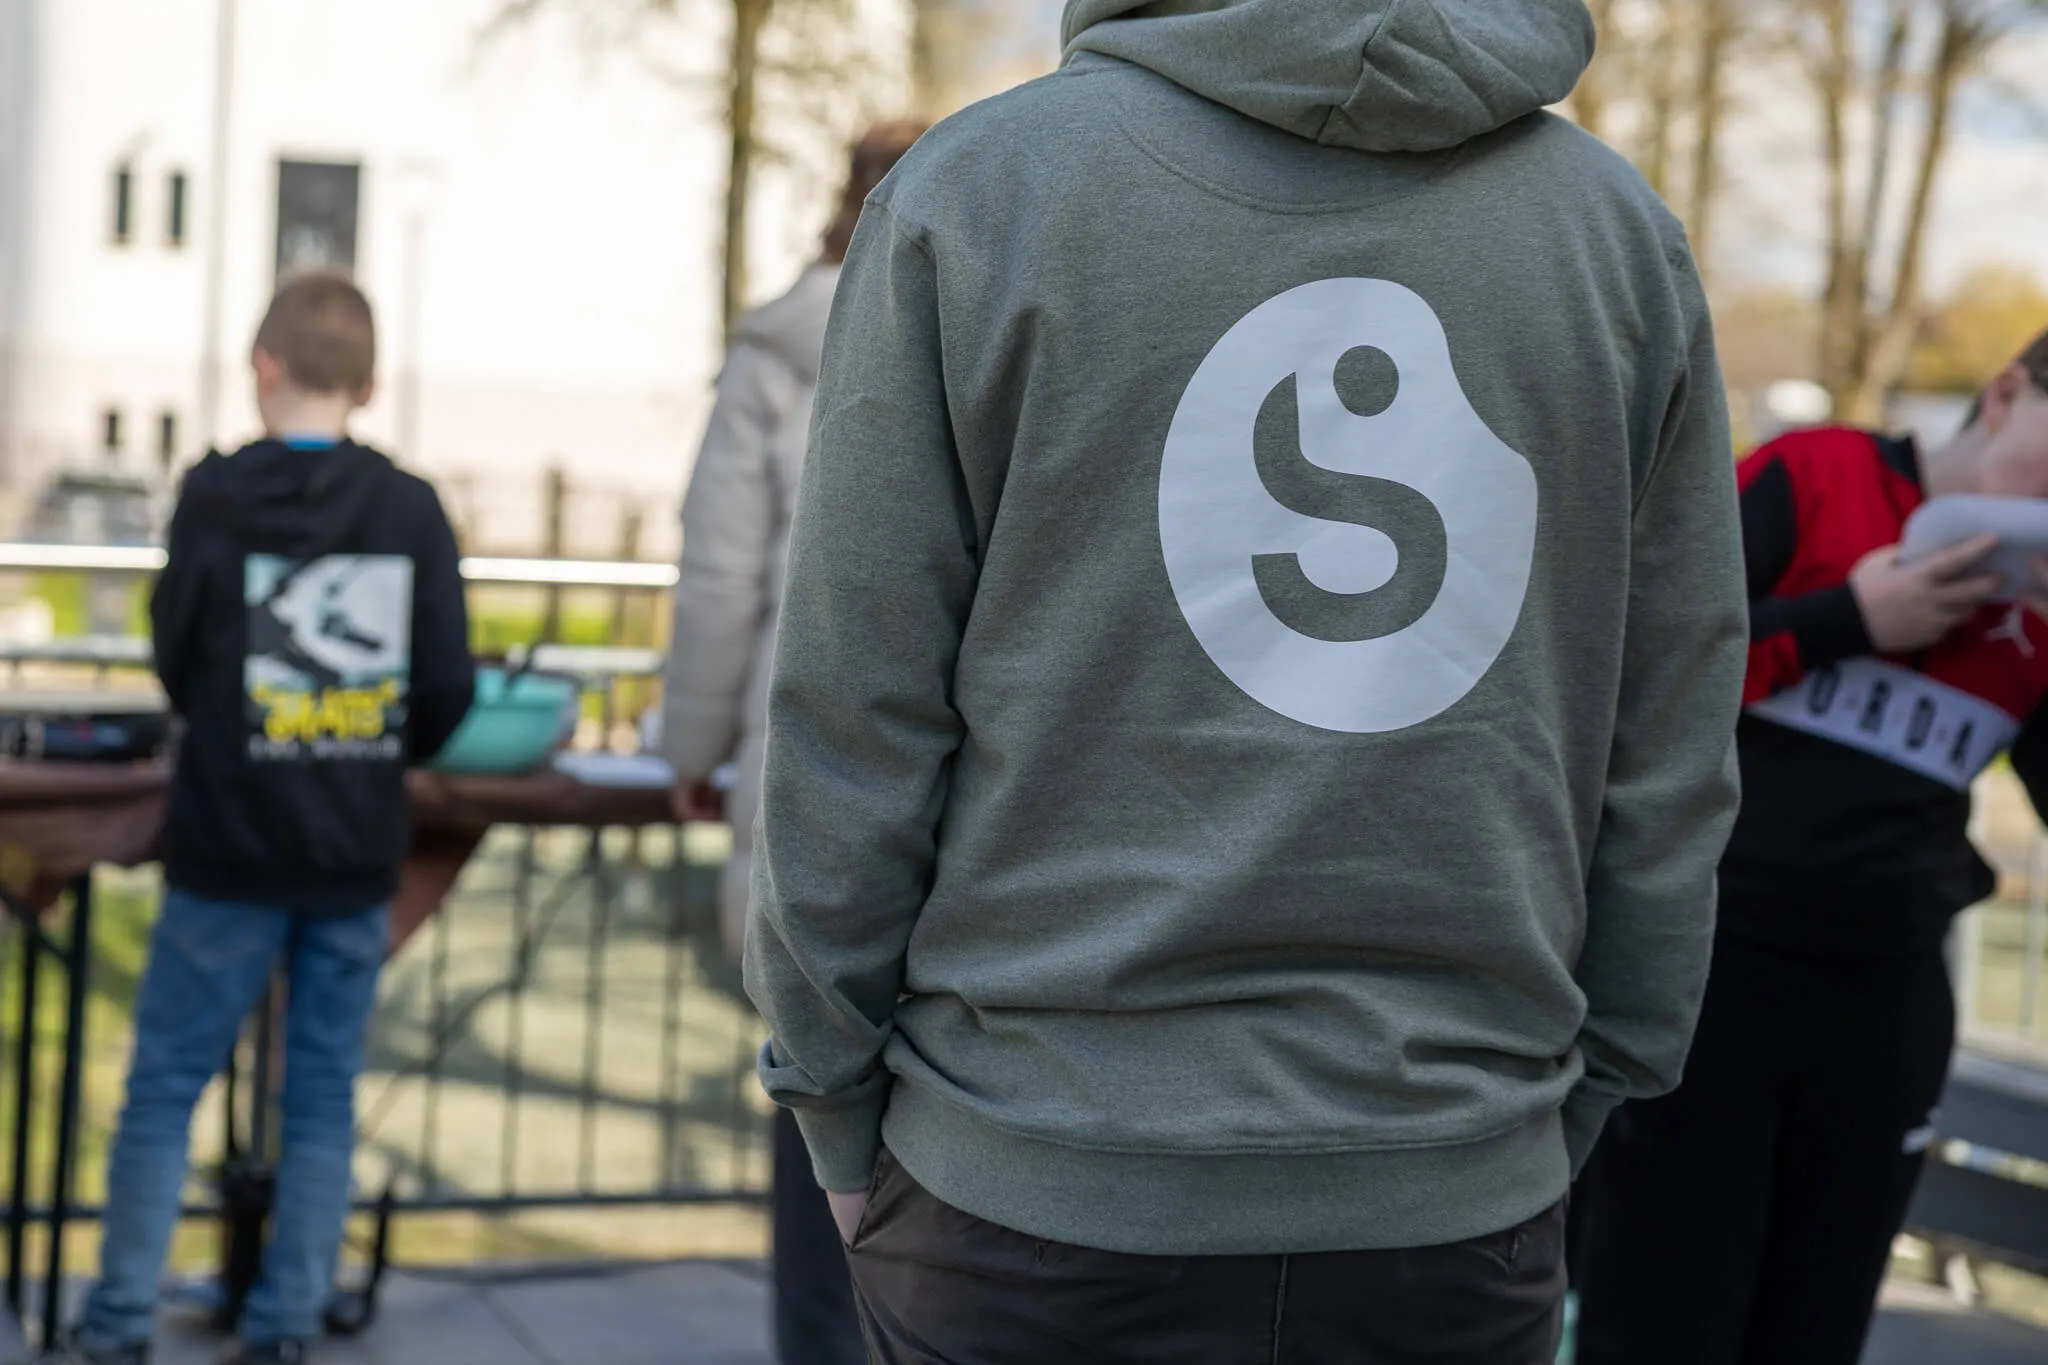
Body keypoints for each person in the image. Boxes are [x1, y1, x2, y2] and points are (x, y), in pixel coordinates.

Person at [744, 1, 1749, 1360]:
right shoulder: (1615, 237)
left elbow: (854, 709)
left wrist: (830, 1093)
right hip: (1457, 1186)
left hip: (1029, 1174)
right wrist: (1587, 1091)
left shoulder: (985, 190)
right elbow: (1673, 733)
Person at [1574, 330, 2048, 1365]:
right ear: (2006, 393)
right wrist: (1844, 617)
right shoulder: (1810, 475)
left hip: (1880, 1013)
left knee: (1815, 1328)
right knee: (1660, 1320)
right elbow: (1629, 664)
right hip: (1703, 987)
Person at [69, 273, 476, 1365]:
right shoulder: (410, 509)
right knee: (321, 1098)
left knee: (163, 1088)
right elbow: (445, 687)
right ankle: (286, 1325)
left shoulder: (211, 493)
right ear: (370, 382)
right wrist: (369, 742)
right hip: (351, 848)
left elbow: (174, 655)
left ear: (264, 367)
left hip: (225, 848)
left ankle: (114, 1328)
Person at [662, 122, 926, 1365]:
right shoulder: (1008, 312)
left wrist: (688, 743)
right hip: (968, 788)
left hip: (800, 765)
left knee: (813, 1067)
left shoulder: (775, 354)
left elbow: (718, 573)